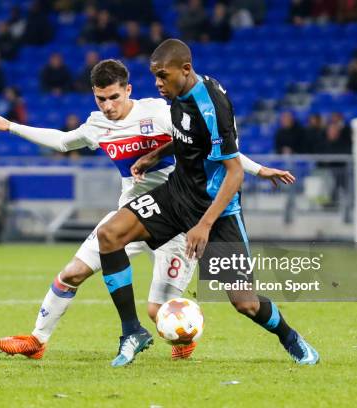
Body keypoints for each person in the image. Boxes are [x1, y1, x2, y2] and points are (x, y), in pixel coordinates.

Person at [0, 59, 296, 361]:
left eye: (114, 97)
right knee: (71, 274)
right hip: (131, 215)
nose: (108, 106)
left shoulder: (158, 113)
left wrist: (256, 169)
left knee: (160, 313)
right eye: (101, 99)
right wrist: (11, 127)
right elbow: (62, 142)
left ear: (128, 90)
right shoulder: (97, 124)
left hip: (177, 216)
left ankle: (185, 337)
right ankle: (37, 340)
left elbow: (210, 143)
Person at [94, 39, 318, 367]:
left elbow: (234, 173)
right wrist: (153, 156)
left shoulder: (212, 105)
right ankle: (132, 331)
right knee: (109, 234)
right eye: (155, 76)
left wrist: (204, 225)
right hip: (176, 194)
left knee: (245, 303)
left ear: (185, 70)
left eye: (162, 76)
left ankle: (290, 337)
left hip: (217, 211)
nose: (157, 83)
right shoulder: (176, 94)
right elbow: (185, 139)